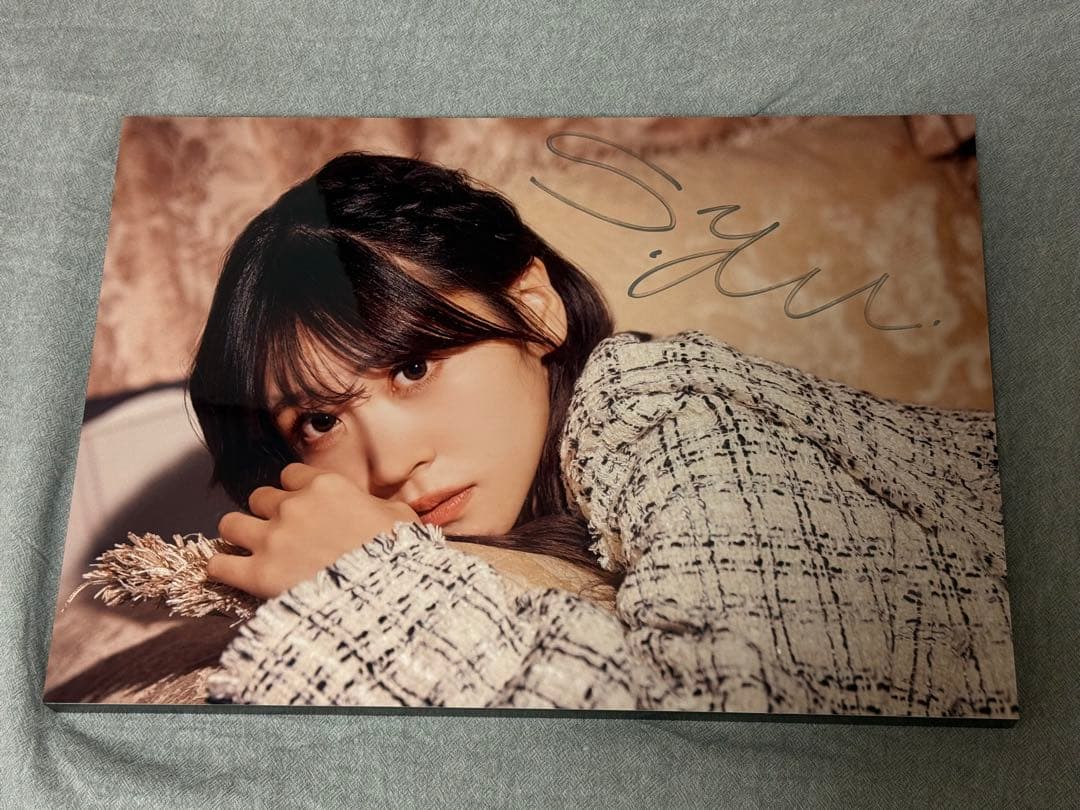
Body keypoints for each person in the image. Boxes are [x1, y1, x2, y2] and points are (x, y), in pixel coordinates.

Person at [188, 151, 1017, 717]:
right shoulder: (533, 520)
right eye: (321, 420)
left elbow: (744, 721)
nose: (392, 461)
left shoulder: (655, 406)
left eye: (414, 366)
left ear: (535, 309)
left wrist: (376, 586)